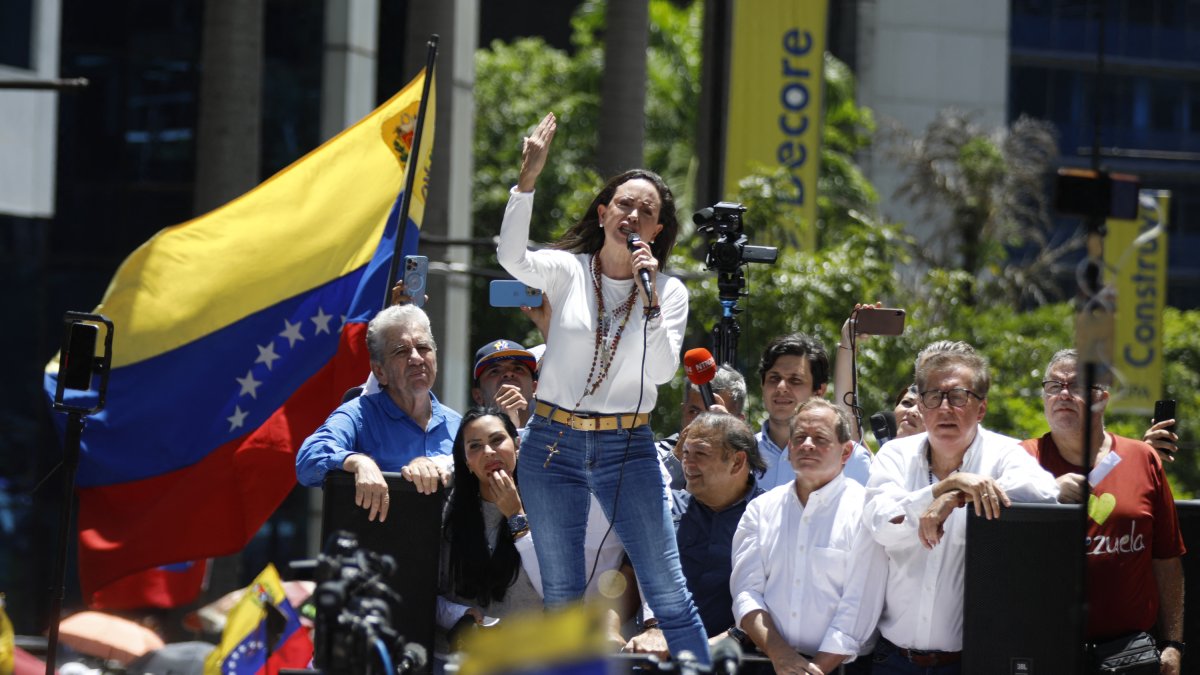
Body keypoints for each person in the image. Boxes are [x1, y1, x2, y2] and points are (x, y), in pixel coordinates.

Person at [496, 112, 709, 662]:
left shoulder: (669, 291)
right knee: (562, 597)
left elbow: (662, 372)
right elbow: (511, 257)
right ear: (604, 212)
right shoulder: (568, 270)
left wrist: (652, 302)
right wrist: (527, 181)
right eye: (624, 205)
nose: (634, 214)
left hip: (627, 444)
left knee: (668, 590)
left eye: (648, 211)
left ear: (657, 231)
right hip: (551, 442)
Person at [853, 347, 1059, 673]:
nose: (945, 407)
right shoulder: (894, 454)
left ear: (981, 408)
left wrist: (956, 496)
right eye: (934, 396)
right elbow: (881, 523)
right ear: (920, 406)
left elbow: (1046, 496)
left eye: (959, 396)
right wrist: (944, 487)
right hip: (893, 660)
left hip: (970, 662)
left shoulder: (1005, 453)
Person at [1020, 349, 1185, 674]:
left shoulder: (1143, 458)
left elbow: (1166, 559)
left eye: (1076, 386)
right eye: (1053, 386)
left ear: (1102, 398)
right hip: (1044, 649)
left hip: (1130, 654)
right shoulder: (1020, 460)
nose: (1063, 394)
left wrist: (1173, 645)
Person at [436, 407, 627, 653]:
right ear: (466, 462)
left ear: (517, 445)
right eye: (475, 446)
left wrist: (516, 517)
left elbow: (555, 589)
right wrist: (459, 615)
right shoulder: (450, 512)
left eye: (497, 440)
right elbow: (425, 594)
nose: (489, 452)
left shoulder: (552, 503)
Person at [731, 400, 876, 674]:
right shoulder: (761, 509)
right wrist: (781, 655)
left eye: (820, 438)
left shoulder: (866, 511)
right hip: (768, 662)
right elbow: (746, 592)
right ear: (789, 450)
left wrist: (813, 669)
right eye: (799, 438)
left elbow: (860, 605)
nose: (807, 444)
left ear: (846, 452)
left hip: (839, 668)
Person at [296, 304, 460, 520]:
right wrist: (358, 462)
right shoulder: (358, 415)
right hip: (377, 550)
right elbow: (309, 459)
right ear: (380, 371)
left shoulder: (459, 425)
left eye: (423, 348)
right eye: (401, 351)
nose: (417, 358)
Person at [625, 412, 766, 656]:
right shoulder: (665, 508)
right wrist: (609, 628)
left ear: (737, 462)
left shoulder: (772, 516)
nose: (687, 464)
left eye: (700, 454)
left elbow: (777, 598)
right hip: (659, 657)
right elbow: (629, 572)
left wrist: (723, 641)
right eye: (686, 454)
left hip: (741, 662)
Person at [756, 333, 871, 489]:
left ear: (819, 391)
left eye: (795, 380)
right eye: (774, 378)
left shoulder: (851, 459)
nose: (781, 387)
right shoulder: (740, 454)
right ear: (762, 385)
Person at [658, 365, 748, 490]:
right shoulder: (654, 456)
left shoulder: (745, 463)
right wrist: (677, 458)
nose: (703, 423)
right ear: (683, 411)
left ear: (739, 422)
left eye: (716, 415)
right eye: (694, 412)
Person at [471, 339, 538, 428]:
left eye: (518, 368)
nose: (508, 373)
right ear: (478, 396)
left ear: (534, 387)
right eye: (495, 371)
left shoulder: (556, 433)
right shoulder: (471, 439)